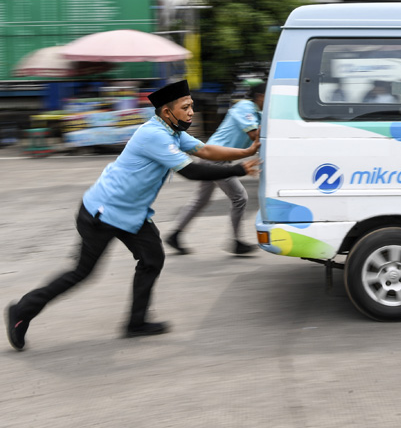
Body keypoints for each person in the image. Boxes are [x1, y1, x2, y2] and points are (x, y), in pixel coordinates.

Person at [5, 80, 260, 351]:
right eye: (185, 107)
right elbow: (191, 171)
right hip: (103, 212)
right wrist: (238, 170)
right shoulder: (155, 135)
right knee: (82, 272)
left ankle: (136, 323)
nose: (191, 112)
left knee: (152, 258)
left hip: (132, 214)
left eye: (192, 107)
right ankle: (21, 311)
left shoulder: (173, 132)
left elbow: (205, 150)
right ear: (166, 112)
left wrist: (244, 152)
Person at [166, 81, 265, 256]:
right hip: (215, 157)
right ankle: (236, 242)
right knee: (239, 197)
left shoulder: (258, 113)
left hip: (215, 157)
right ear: (260, 96)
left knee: (201, 200)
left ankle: (175, 234)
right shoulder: (245, 107)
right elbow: (254, 135)